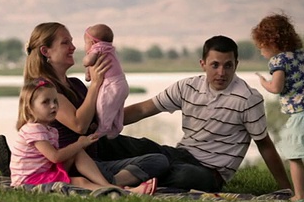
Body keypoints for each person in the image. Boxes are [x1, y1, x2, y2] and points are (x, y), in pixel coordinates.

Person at [114, 35, 293, 193]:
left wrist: (287, 189)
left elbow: (265, 145)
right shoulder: (187, 86)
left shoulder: (248, 98)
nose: (221, 73)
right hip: (178, 155)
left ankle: (123, 175)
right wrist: (101, 124)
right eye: (215, 65)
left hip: (209, 172)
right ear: (203, 64)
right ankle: (121, 172)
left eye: (228, 66)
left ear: (236, 65)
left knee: (186, 176)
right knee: (124, 144)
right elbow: (142, 110)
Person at [22, 22, 170, 191]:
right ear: (45, 51)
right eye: (65, 43)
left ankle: (112, 183)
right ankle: (110, 184)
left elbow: (98, 117)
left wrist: (156, 103)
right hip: (73, 165)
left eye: (72, 42)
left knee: (158, 160)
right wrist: (96, 84)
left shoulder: (76, 84)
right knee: (168, 170)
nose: (73, 47)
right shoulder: (45, 90)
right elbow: (79, 125)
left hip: (95, 162)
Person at [9, 78, 154, 195]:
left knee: (78, 155)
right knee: (80, 181)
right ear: (29, 107)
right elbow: (55, 157)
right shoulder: (33, 129)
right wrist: (80, 143)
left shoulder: (48, 130)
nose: (53, 106)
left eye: (55, 101)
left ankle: (109, 186)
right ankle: (122, 192)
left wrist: (80, 145)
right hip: (29, 181)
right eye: (45, 102)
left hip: (45, 173)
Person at [251, 12, 304, 202]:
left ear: (272, 42)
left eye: (262, 47)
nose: (261, 52)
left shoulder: (279, 61)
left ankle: (300, 196)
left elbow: (276, 87)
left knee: (293, 154)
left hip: (301, 113)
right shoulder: (303, 55)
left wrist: (263, 82)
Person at [82, 24, 129, 139]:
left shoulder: (98, 48)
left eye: (85, 42)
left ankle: (102, 129)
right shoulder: (109, 49)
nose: (84, 46)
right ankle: (116, 127)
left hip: (111, 84)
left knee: (102, 106)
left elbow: (89, 61)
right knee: (116, 108)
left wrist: (85, 61)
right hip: (121, 84)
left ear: (93, 43)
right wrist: (88, 73)